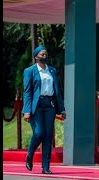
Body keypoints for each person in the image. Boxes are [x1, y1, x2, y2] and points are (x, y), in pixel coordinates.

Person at [22, 45, 66, 174]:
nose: (44, 56)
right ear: (36, 56)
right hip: (36, 105)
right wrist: (26, 110)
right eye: (42, 54)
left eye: (45, 53)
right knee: (39, 133)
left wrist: (62, 109)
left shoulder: (51, 70)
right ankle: (30, 154)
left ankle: (46, 167)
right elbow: (27, 92)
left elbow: (58, 92)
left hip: (50, 105)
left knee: (47, 137)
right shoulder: (29, 71)